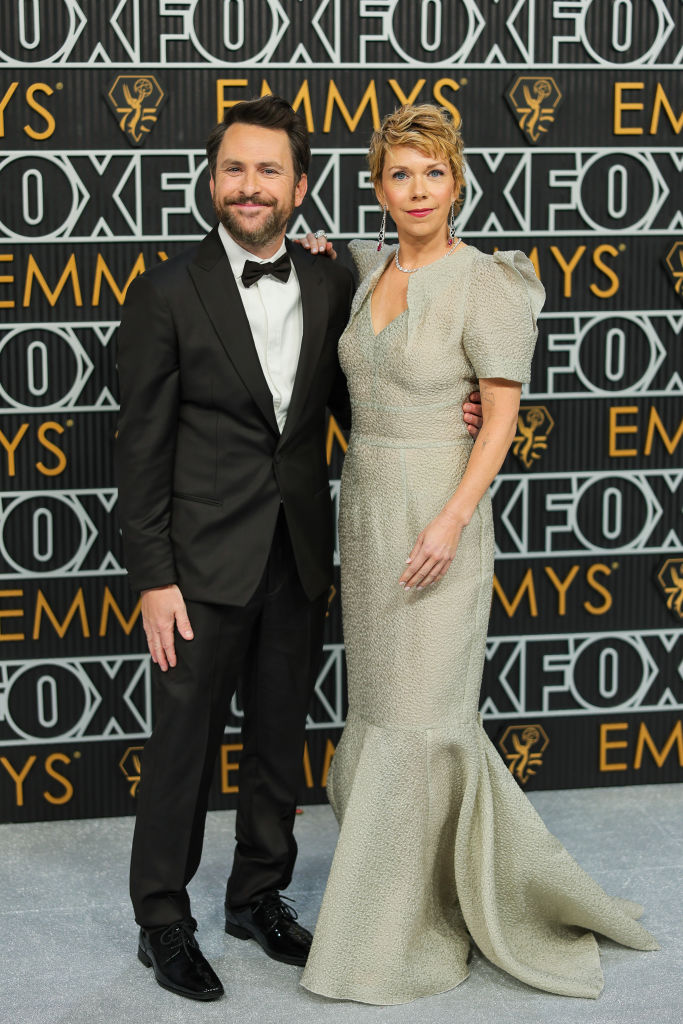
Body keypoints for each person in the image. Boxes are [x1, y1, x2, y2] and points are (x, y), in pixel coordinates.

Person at [115, 94, 483, 1001]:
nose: (249, 186)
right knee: (183, 746)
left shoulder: (331, 281)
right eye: (234, 169)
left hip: (301, 551)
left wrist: (453, 413)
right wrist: (153, 577)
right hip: (198, 563)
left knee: (281, 737)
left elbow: (372, 398)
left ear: (300, 186)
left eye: (268, 170)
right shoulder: (165, 291)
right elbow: (139, 448)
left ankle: (258, 896)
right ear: (211, 180)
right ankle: (162, 919)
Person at [299, 104, 657, 1005]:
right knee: (381, 711)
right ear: (377, 187)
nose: (416, 190)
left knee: (424, 721)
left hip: (438, 516)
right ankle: (410, 895)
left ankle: (398, 931)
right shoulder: (365, 265)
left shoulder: (488, 283)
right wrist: (313, 243)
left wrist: (453, 518)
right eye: (398, 174)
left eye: (432, 173)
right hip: (367, 508)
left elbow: (497, 421)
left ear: (457, 182)